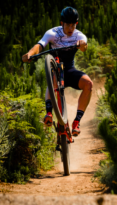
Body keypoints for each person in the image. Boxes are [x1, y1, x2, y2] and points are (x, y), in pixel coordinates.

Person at [22, 7, 92, 137]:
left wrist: (82, 45)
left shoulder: (79, 35)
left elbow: (84, 47)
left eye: (73, 25)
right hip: (55, 70)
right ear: (62, 23)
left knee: (88, 84)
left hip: (70, 71)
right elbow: (40, 45)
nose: (71, 28)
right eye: (68, 25)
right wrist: (30, 54)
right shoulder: (52, 33)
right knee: (53, 77)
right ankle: (49, 113)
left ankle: (76, 122)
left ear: (76, 24)